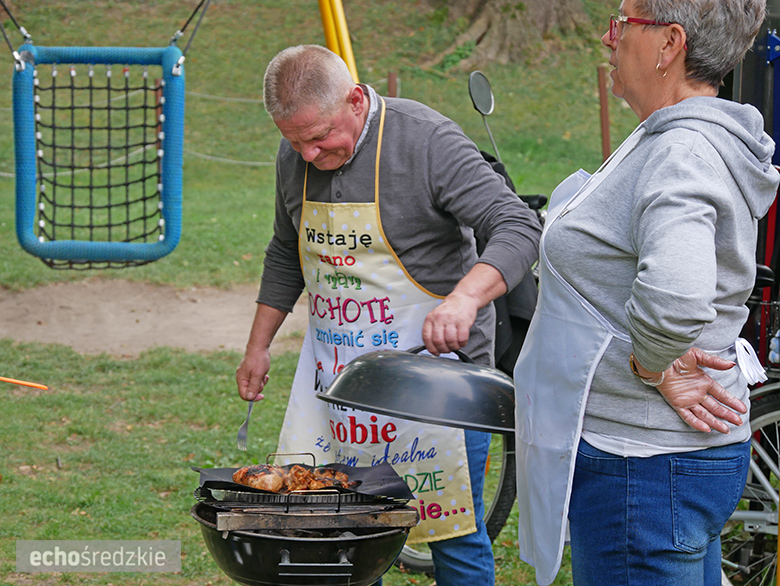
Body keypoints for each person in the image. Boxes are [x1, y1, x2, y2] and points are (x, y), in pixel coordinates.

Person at [235, 44, 542, 585]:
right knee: (342, 532)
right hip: (341, 387)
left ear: (356, 100)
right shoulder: (298, 155)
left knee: (452, 539)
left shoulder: (425, 140)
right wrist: (258, 346)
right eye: (294, 142)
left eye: (319, 137)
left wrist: (466, 298)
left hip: (439, 390)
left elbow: (516, 225)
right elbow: (286, 250)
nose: (307, 155)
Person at [512, 1, 780, 585]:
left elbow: (678, 296)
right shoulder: (679, 139)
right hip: (663, 468)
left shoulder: (680, 151)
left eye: (623, 23)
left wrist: (654, 363)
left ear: (668, 44)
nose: (609, 39)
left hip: (643, 469)